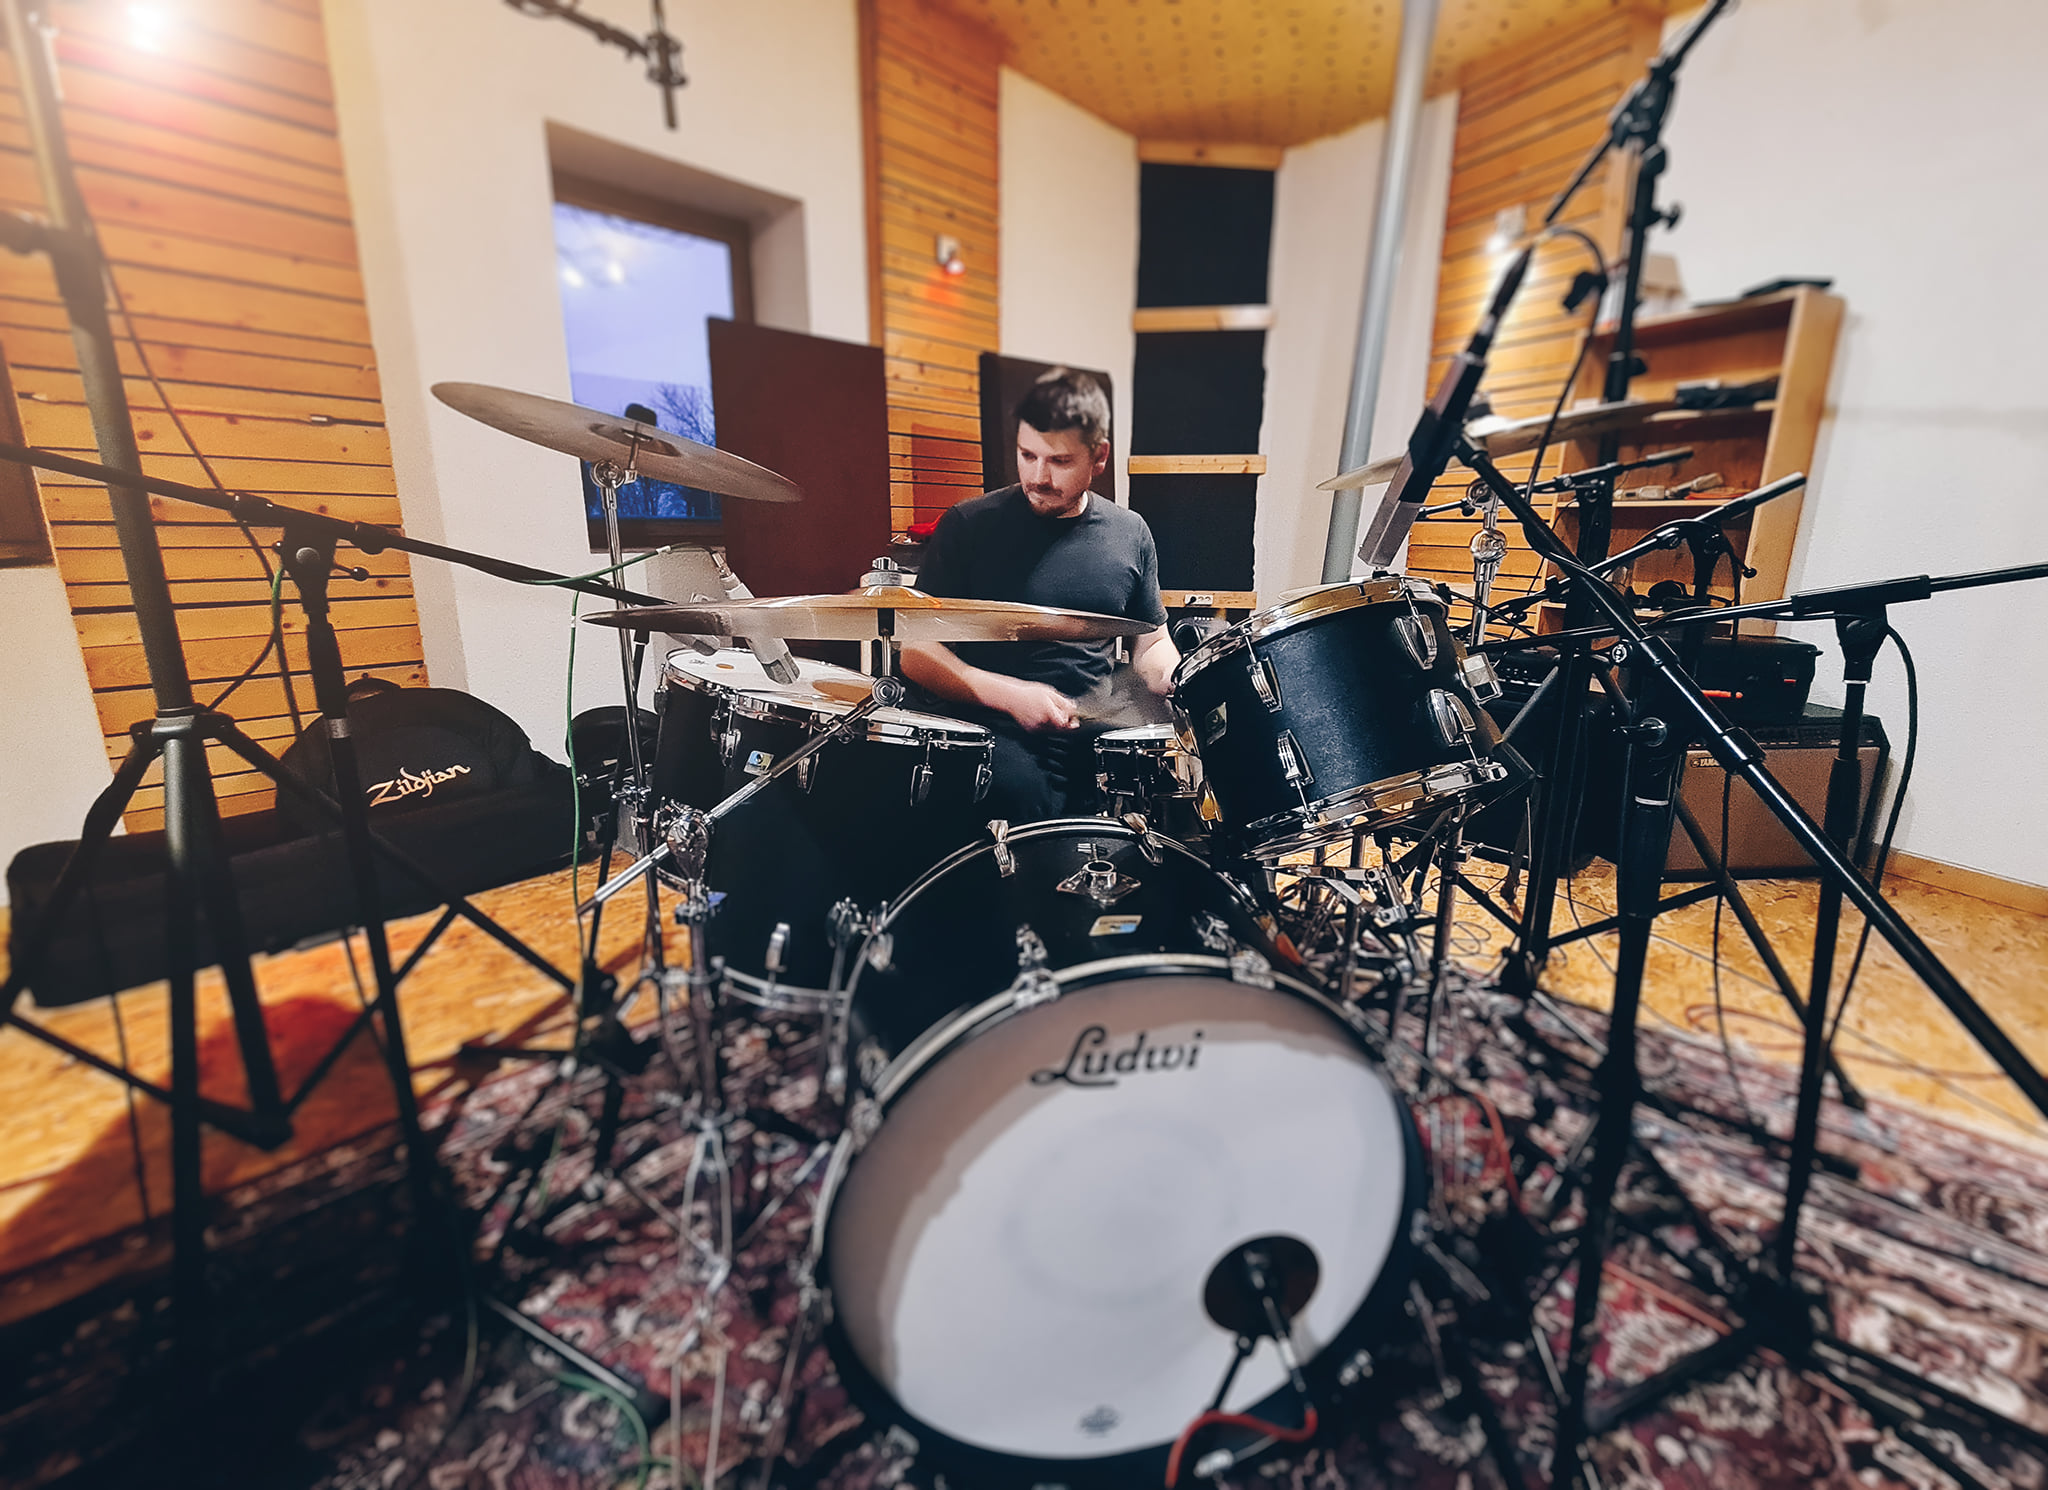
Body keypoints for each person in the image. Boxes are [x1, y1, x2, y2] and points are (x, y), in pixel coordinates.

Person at [902, 368, 1179, 821]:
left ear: (1099, 456)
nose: (1039, 477)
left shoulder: (1130, 532)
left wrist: (1171, 675)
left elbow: (1150, 642)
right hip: (992, 733)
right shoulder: (970, 525)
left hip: (1095, 733)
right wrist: (1008, 694)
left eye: (1059, 461)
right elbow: (916, 652)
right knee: (1022, 801)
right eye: (1027, 455)